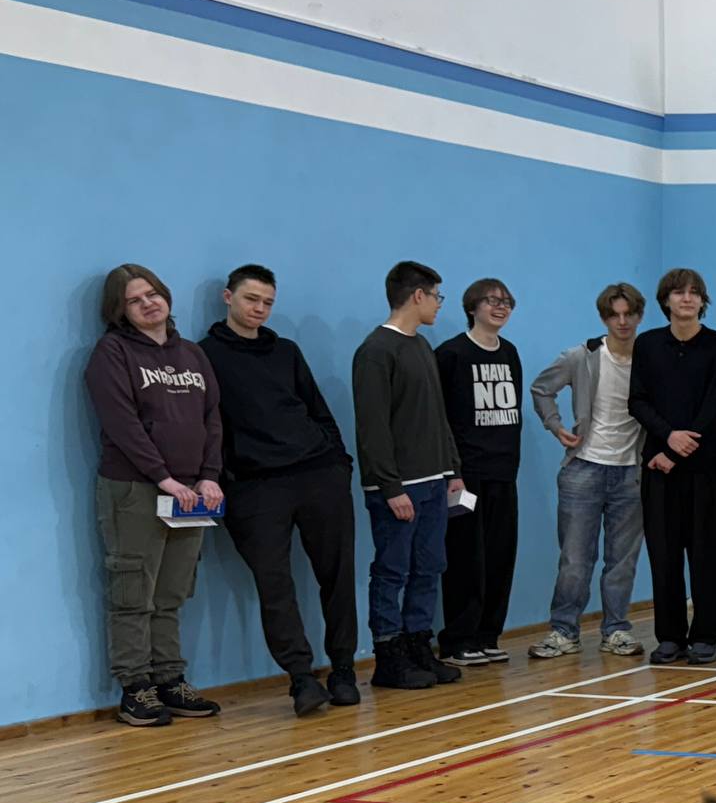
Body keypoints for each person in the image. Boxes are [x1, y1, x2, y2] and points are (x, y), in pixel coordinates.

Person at [202, 263, 360, 716]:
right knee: (275, 585)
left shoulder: (286, 351)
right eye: (252, 299)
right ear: (228, 297)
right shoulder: (204, 356)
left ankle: (344, 669)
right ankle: (301, 679)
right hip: (254, 487)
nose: (260, 309)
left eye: (268, 302)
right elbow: (207, 425)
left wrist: (338, 464)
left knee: (337, 575)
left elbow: (318, 410)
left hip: (318, 474)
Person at [85, 264, 225, 727]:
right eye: (134, 299)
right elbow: (121, 424)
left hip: (192, 493)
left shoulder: (192, 355)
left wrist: (208, 475)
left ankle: (170, 678)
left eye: (153, 294)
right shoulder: (113, 352)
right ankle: (136, 687)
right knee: (133, 592)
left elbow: (212, 419)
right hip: (135, 490)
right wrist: (163, 477)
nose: (148, 303)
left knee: (172, 593)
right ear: (119, 310)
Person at [353, 261, 465, 690]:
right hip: (398, 487)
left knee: (429, 567)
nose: (438, 304)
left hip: (434, 480)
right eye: (437, 296)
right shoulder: (376, 351)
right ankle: (389, 655)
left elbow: (437, 415)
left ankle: (420, 644)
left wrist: (451, 468)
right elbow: (372, 427)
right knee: (392, 570)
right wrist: (389, 486)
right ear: (418, 295)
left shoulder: (421, 347)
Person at [528, 283, 648, 660]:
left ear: (640, 316)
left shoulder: (650, 358)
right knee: (576, 558)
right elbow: (541, 389)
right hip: (583, 469)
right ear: (603, 318)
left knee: (622, 560)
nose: (623, 321)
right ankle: (564, 630)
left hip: (632, 472)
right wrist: (555, 425)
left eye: (629, 314)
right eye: (615, 314)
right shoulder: (582, 356)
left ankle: (615, 630)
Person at [629, 267, 716, 665]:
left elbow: (715, 406)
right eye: (678, 292)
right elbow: (637, 401)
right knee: (665, 554)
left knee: (707, 554)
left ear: (702, 301)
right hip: (657, 468)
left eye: (694, 292)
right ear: (666, 300)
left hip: (703, 468)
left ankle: (707, 634)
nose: (687, 298)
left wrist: (676, 449)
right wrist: (667, 437)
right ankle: (670, 636)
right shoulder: (647, 345)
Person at [435, 277, 524, 668]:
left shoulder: (510, 353)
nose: (500, 307)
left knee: (500, 556)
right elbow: (441, 419)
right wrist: (451, 471)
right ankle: (458, 639)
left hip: (503, 473)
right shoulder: (451, 354)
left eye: (506, 301)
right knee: (465, 558)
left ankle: (488, 634)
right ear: (472, 306)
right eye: (491, 300)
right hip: (465, 477)